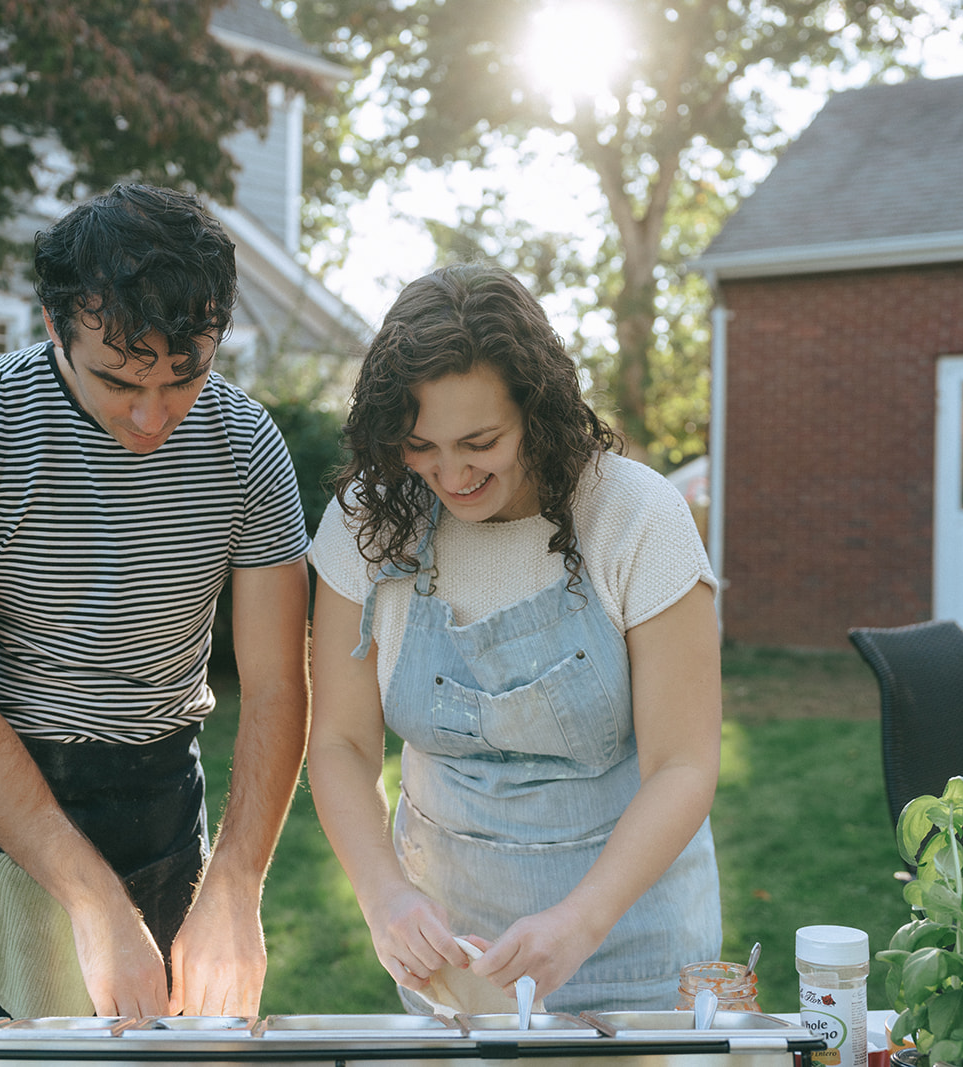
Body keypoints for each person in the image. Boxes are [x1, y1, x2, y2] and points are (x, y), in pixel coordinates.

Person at [0, 183, 311, 1022]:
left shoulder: (250, 448)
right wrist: (93, 901)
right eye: (119, 380)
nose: (154, 417)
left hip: (161, 804)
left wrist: (239, 883)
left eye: (186, 378)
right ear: (52, 323)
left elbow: (279, 686)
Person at [306, 262, 722, 1015]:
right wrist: (384, 895)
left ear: (538, 409)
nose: (451, 472)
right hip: (448, 948)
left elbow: (684, 764)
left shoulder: (636, 518)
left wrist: (578, 921)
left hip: (632, 939)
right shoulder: (366, 522)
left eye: (480, 441)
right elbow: (339, 742)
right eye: (419, 444)